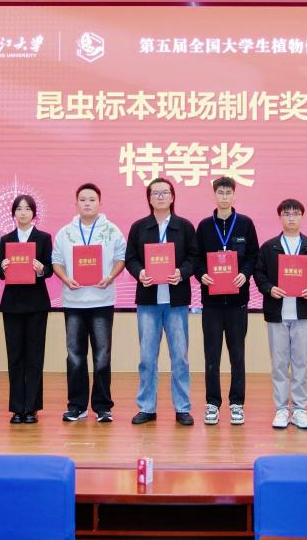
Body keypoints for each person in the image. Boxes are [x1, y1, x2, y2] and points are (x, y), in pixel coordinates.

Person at [125, 177, 200, 426]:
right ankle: (147, 407)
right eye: (155, 193)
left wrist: (182, 272)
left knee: (180, 357)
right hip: (148, 301)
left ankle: (182, 408)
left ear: (172, 197)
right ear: (149, 198)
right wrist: (140, 273)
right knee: (147, 357)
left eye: (164, 192)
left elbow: (194, 257)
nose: (160, 196)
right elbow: (130, 258)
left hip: (176, 301)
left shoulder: (184, 227)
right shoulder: (139, 227)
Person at [51, 183, 126, 423]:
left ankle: (103, 407)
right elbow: (56, 261)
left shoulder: (112, 231)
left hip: (102, 300)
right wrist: (66, 279)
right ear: (76, 203)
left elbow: (121, 258)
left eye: (92, 199)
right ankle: (77, 406)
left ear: (100, 203)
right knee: (75, 355)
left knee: (102, 356)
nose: (87, 203)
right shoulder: (65, 232)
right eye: (83, 199)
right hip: (74, 301)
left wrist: (110, 277)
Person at [254, 198, 307, 430]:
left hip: (303, 313)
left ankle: (299, 410)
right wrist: (269, 288)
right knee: (279, 364)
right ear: (280, 217)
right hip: (277, 313)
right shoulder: (269, 247)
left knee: (300, 363)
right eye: (286, 214)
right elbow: (259, 273)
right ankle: (280, 409)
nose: (291, 217)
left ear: (302, 217)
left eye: (295, 213)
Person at [194, 176, 260, 426]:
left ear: (234, 195)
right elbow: (196, 258)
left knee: (237, 355)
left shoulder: (245, 223)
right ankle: (212, 403)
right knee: (211, 355)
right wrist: (202, 274)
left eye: (228, 192)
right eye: (220, 192)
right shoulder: (204, 226)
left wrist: (245, 273)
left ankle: (236, 403)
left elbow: (253, 256)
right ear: (214, 195)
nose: (224, 197)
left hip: (237, 302)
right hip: (211, 302)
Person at [0, 194, 53, 424]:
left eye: (27, 209)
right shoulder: (5, 240)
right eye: (19, 209)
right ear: (13, 213)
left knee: (35, 357)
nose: (23, 213)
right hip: (12, 304)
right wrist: (2, 267)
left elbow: (50, 268)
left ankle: (32, 408)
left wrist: (41, 270)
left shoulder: (44, 238)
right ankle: (17, 408)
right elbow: (0, 273)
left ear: (34, 213)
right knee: (15, 357)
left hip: (37, 304)